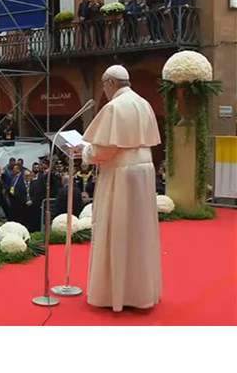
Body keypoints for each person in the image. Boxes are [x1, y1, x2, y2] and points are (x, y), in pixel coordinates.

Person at [76, 64, 162, 312]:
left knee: (118, 229)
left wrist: (84, 151)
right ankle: (142, 293)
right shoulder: (144, 103)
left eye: (104, 85)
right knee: (140, 232)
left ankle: (116, 295)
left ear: (110, 82)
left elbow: (104, 150)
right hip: (143, 171)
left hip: (121, 176)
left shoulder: (114, 107)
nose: (104, 90)